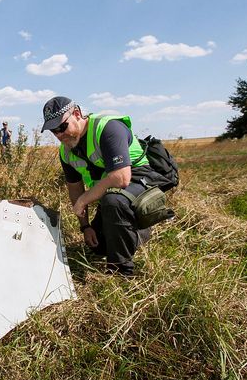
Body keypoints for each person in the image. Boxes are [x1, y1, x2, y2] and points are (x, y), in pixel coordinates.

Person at [40, 96, 170, 275]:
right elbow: (75, 189)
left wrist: (84, 200)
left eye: (62, 127)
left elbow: (121, 177)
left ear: (77, 114)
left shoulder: (108, 128)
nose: (60, 135)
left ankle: (120, 270)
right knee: (99, 245)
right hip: (110, 190)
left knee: (113, 201)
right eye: (54, 131)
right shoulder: (66, 152)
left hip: (139, 178)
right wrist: (85, 227)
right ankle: (139, 230)